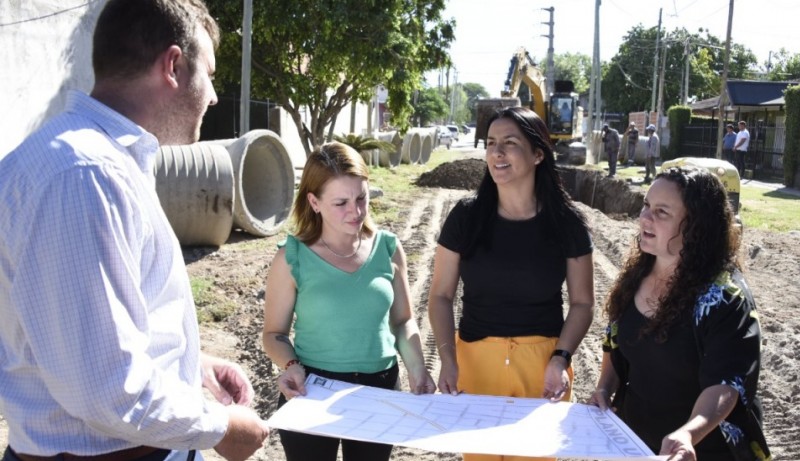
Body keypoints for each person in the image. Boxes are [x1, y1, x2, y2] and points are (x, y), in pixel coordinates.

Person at [0, 1, 270, 460]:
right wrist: (223, 427)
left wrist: (193, 368)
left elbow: (79, 336)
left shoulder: (95, 163)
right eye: (209, 74)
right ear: (173, 65)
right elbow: (108, 389)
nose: (213, 97)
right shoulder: (85, 176)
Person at [428, 107, 595, 461]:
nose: (496, 152)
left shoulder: (567, 222)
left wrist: (560, 359)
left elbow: (583, 303)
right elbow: (441, 296)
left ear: (538, 154)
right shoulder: (466, 216)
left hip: (543, 366)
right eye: (490, 143)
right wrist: (449, 360)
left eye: (509, 143)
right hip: (476, 362)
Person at [262, 141, 436, 461]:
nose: (355, 211)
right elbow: (274, 334)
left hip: (379, 390)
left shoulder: (388, 248)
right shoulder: (292, 257)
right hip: (312, 391)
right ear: (314, 202)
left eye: (361, 198)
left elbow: (402, 321)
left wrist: (417, 367)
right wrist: (290, 366)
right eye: (341, 202)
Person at [589, 167, 770, 461]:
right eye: (646, 206)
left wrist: (688, 434)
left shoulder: (725, 297)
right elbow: (615, 340)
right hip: (634, 442)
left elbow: (726, 385)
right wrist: (605, 387)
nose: (644, 218)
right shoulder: (636, 274)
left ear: (696, 225)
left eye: (662, 212)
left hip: (700, 449)